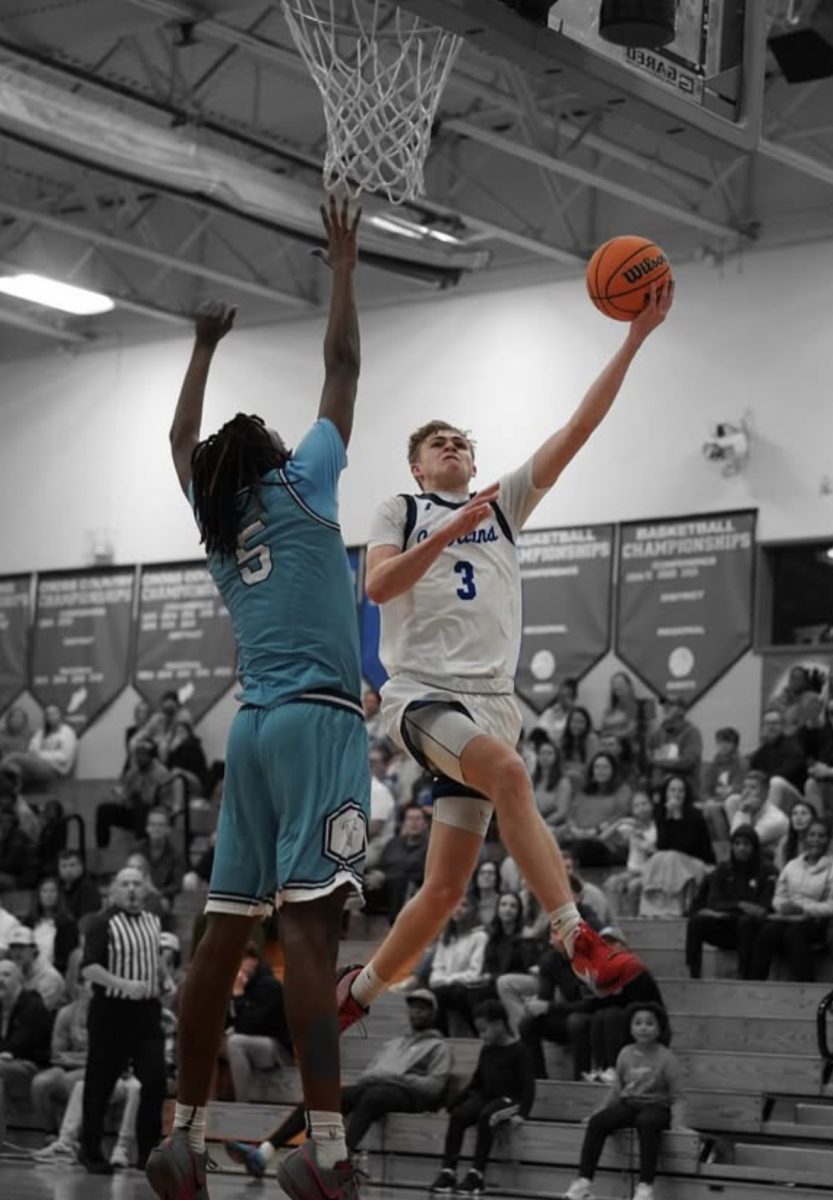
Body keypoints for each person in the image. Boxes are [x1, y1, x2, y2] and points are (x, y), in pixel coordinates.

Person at [339, 288, 672, 1031]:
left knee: (445, 889)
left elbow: (580, 425)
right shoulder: (401, 507)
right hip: (422, 695)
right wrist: (446, 531)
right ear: (419, 468)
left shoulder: (502, 505)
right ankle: (574, 933)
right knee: (511, 772)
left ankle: (356, 995)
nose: (452, 448)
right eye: (438, 445)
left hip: (491, 701)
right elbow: (379, 583)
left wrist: (635, 337)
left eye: (461, 442)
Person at [145, 197, 369, 1200]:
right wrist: (341, 262)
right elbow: (344, 370)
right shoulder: (305, 482)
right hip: (321, 725)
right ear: (276, 456)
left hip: (252, 735)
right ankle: (322, 1153)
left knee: (220, 935)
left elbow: (182, 435)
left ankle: (182, 1136)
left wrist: (198, 347)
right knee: (313, 942)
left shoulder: (215, 517)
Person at [227, 989, 452, 1179]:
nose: (417, 1012)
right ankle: (264, 1152)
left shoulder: (439, 1047)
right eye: (413, 1007)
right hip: (376, 1087)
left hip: (409, 1095)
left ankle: (340, 1160)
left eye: (423, 1008)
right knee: (324, 1098)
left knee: (374, 1097)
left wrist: (396, 1078)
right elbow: (369, 1075)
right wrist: (384, 1076)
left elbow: (433, 1088)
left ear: (433, 1013)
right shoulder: (394, 1043)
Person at [80, 866, 166, 1172]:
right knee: (99, 1085)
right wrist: (124, 984)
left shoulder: (154, 922)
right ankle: (90, 1151)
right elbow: (88, 969)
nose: (131, 889)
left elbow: (150, 959)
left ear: (145, 890)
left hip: (146, 1012)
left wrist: (164, 980)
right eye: (125, 884)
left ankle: (148, 1153)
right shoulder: (101, 923)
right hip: (111, 1013)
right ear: (114, 890)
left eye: (137, 884)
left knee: (155, 1080)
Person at [564, 1003, 688, 1200]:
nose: (643, 1027)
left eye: (649, 1023)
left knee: (646, 1122)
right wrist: (599, 1111)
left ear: (659, 1029)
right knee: (598, 1123)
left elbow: (678, 1096)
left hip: (657, 1107)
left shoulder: (667, 1057)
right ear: (630, 1028)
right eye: (638, 1023)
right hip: (630, 1104)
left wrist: (677, 1124)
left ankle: (645, 1187)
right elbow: (617, 1089)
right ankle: (583, 1182)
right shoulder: (625, 1053)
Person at [430, 999, 534, 1198]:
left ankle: (477, 1173)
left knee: (488, 1116)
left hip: (511, 1100)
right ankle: (448, 1170)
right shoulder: (487, 1049)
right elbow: (477, 1081)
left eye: (484, 1029)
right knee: (459, 1116)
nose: (481, 1035)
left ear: (499, 1024)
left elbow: (528, 1087)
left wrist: (523, 1113)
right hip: (489, 1096)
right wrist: (456, 1101)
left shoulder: (519, 1051)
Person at [746, 818, 833, 981]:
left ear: (828, 840)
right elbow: (779, 895)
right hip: (787, 917)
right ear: (806, 838)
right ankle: (754, 983)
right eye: (812, 835)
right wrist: (782, 906)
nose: (816, 840)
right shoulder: (792, 865)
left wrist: (803, 909)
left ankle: (806, 987)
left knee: (793, 933)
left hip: (816, 922)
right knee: (767, 930)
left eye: (821, 836)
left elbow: (831, 905)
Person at [685, 827, 777, 979]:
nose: (741, 848)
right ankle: (693, 974)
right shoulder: (723, 869)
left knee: (745, 922)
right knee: (696, 921)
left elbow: (763, 908)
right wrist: (741, 905)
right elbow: (714, 902)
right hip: (727, 927)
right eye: (737, 844)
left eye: (746, 844)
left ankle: (743, 975)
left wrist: (728, 908)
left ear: (754, 847)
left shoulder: (767, 871)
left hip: (755, 932)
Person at [221, 943, 292, 1102]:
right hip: (248, 1043)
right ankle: (210, 1103)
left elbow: (249, 1027)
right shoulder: (233, 984)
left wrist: (238, 995)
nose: (239, 966)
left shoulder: (269, 986)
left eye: (243, 960)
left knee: (235, 1042)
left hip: (276, 1049)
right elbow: (226, 1022)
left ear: (254, 961)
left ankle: (242, 1103)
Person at [638, 776, 714, 918]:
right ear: (666, 793)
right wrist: (668, 817)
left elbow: (686, 846)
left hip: (695, 862)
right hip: (670, 860)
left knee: (670, 857)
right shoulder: (661, 813)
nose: (676, 794)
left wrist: (678, 817)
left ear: (686, 794)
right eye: (672, 790)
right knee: (659, 857)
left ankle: (671, 909)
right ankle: (652, 910)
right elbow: (662, 845)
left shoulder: (695, 815)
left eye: (680, 791)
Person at [0, 959, 52, 1150]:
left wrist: (7, 1051)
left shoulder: (33, 1006)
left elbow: (19, 1046)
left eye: (6, 975)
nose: (1, 980)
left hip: (33, 1066)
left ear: (20, 980)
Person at [97, 738, 173, 848]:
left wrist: (134, 793)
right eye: (137, 754)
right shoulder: (134, 772)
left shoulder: (161, 773)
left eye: (143, 755)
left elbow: (151, 800)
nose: (138, 758)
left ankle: (141, 850)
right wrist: (121, 796)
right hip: (133, 810)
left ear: (151, 756)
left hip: (155, 813)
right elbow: (125, 793)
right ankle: (102, 849)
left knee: (141, 807)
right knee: (104, 810)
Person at [561, 752, 632, 867]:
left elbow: (620, 815)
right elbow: (571, 814)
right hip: (578, 836)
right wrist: (574, 829)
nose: (600, 771)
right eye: (597, 767)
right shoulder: (584, 791)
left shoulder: (623, 790)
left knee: (583, 849)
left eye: (605, 767)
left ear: (613, 770)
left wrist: (595, 830)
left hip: (606, 841)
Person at [364, 802, 429, 922]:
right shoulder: (394, 843)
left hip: (410, 889)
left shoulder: (429, 847)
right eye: (409, 819)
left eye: (418, 819)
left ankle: (397, 927)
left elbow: (419, 872)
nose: (414, 823)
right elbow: (382, 865)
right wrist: (376, 874)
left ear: (425, 824)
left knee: (401, 882)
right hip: (382, 887)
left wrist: (385, 877)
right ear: (404, 823)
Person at [604, 791, 658, 918]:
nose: (641, 808)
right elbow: (603, 838)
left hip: (650, 872)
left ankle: (632, 921)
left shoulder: (657, 827)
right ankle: (615, 921)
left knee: (634, 886)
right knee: (612, 882)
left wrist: (642, 839)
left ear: (651, 805)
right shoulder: (629, 827)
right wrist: (619, 822)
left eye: (644, 804)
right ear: (633, 810)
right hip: (631, 872)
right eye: (637, 806)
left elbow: (656, 853)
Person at [4, 704, 77, 790]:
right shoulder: (42, 731)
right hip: (39, 767)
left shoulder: (67, 732)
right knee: (13, 768)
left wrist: (40, 754)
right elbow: (32, 749)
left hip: (56, 770)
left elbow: (63, 757)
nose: (51, 717)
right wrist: (39, 754)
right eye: (48, 714)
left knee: (15, 756)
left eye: (54, 713)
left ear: (60, 715)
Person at [748, 708, 807, 811]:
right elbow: (753, 774)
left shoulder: (793, 746)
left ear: (783, 725)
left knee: (776, 782)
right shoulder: (761, 752)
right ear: (763, 727)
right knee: (733, 800)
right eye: (768, 723)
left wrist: (763, 781)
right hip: (767, 792)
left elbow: (786, 771)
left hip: (794, 798)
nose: (771, 727)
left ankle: (769, 820)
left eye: (775, 723)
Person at [647, 698, 703, 799]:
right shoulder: (658, 733)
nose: (665, 708)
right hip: (658, 786)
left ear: (681, 710)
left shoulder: (692, 733)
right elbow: (649, 756)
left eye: (671, 705)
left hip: (684, 787)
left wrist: (659, 761)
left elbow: (687, 762)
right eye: (664, 706)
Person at [724, 770, 789, 851]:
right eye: (744, 787)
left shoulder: (776, 820)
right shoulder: (750, 810)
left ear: (765, 792)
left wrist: (744, 811)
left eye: (752, 788)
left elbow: (741, 842)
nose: (746, 792)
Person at [7, 925, 66, 1011]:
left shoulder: (50, 977)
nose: (16, 952)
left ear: (34, 948)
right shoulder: (15, 971)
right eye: (13, 947)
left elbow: (36, 1011)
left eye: (21, 947)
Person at [136, 808, 185, 909]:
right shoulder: (137, 850)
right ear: (147, 828)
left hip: (162, 899)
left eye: (160, 825)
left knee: (160, 903)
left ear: (168, 829)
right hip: (138, 895)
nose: (156, 828)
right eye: (152, 824)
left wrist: (158, 893)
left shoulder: (176, 855)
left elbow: (177, 885)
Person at [57, 848, 102, 922]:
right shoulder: (57, 886)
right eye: (64, 866)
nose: (68, 869)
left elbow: (87, 921)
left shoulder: (88, 889)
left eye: (72, 865)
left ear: (81, 867)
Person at [776, 797, 817, 869]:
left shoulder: (820, 841)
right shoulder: (785, 841)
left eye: (804, 813)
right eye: (794, 814)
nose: (798, 818)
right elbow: (779, 869)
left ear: (813, 818)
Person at [599, 672, 638, 743]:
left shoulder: (635, 705)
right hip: (606, 743)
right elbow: (602, 728)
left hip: (625, 746)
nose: (616, 686)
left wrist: (612, 734)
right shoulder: (610, 708)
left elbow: (632, 731)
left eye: (620, 683)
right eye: (614, 683)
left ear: (628, 685)